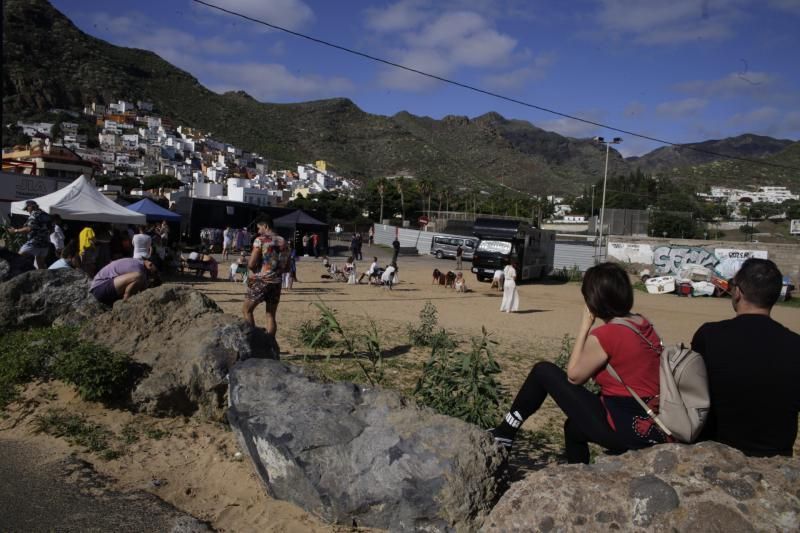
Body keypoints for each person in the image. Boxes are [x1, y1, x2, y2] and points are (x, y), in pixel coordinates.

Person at [489, 262, 670, 463]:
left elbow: (574, 376)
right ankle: (579, 472)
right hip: (654, 424)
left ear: (593, 300)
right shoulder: (642, 324)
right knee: (574, 428)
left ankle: (505, 431)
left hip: (627, 430)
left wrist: (585, 326)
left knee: (543, 372)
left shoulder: (608, 334)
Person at [691, 258, 800, 457]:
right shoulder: (795, 345)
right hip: (776, 455)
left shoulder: (709, 335)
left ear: (738, 292)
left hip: (717, 450)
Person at [242, 215, 290, 337]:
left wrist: (256, 272)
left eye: (259, 228)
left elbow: (251, 264)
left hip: (262, 279)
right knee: (270, 315)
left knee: (247, 310)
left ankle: (253, 342)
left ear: (265, 226)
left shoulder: (261, 240)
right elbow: (287, 267)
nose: (258, 231)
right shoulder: (284, 241)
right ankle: (270, 346)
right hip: (277, 281)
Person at [90, 257, 159, 306]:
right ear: (150, 264)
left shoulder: (140, 266)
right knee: (138, 276)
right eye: (155, 272)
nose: (153, 274)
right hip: (100, 288)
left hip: (107, 287)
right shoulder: (137, 266)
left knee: (139, 278)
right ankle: (125, 302)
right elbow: (142, 286)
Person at [8, 200, 51, 269]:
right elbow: (52, 229)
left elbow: (29, 228)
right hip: (45, 243)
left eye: (27, 208)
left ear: (31, 206)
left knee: (17, 257)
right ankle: (43, 278)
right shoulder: (46, 215)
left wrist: (15, 231)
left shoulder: (34, 214)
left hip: (35, 242)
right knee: (40, 263)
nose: (27, 211)